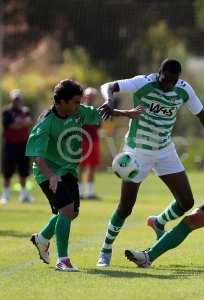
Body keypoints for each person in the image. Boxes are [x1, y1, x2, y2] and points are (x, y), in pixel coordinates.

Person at [96, 58, 204, 267]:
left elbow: (203, 116)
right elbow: (108, 86)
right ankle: (105, 250)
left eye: (172, 81)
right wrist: (108, 100)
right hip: (137, 152)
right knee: (126, 207)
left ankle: (158, 221)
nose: (167, 84)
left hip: (164, 150)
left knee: (186, 202)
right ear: (158, 73)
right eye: (164, 79)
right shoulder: (143, 82)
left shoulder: (183, 89)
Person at [26, 79, 143, 272]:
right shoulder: (46, 123)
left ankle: (42, 238)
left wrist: (127, 114)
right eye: (75, 102)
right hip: (48, 172)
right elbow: (37, 156)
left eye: (79, 102)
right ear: (60, 101)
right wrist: (51, 176)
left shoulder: (78, 112)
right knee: (66, 209)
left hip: (69, 170)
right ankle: (63, 260)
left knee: (72, 212)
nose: (78, 106)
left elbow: (100, 113)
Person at [1, 89, 33, 204]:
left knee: (23, 170)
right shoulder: (7, 111)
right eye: (15, 99)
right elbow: (11, 126)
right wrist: (21, 124)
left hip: (23, 144)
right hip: (10, 144)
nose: (17, 101)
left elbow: (29, 123)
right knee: (7, 171)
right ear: (12, 99)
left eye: (18, 99)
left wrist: (20, 124)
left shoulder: (26, 111)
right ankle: (5, 195)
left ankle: (24, 195)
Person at [79, 87, 102, 200]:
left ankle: (90, 193)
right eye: (89, 96)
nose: (90, 98)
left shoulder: (96, 110)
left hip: (94, 140)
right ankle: (78, 192)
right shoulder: (79, 109)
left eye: (92, 96)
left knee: (92, 166)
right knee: (80, 166)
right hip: (81, 140)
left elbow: (99, 125)